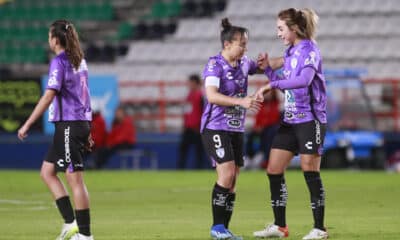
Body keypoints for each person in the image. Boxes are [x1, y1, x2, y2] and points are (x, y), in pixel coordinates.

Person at [253, 8, 329, 240]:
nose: (278, 33)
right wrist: (267, 69)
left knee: (310, 170)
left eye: (280, 28)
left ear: (294, 28)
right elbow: (281, 81)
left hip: (311, 120)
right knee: (273, 169)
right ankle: (280, 226)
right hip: (291, 120)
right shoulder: (290, 52)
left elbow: (303, 80)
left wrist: (271, 85)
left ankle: (319, 229)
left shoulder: (310, 51)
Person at [17, 20, 94, 240]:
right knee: (47, 172)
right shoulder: (80, 60)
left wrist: (28, 123)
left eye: (50, 36)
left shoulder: (59, 62)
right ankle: (71, 223)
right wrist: (88, 128)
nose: (48, 40)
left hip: (69, 125)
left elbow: (49, 95)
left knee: (75, 180)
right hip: (75, 124)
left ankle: (86, 235)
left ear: (56, 39)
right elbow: (85, 96)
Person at [200, 18, 262, 240]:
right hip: (215, 127)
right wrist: (240, 102)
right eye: (242, 44)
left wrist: (291, 57)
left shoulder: (244, 63)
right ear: (227, 44)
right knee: (226, 173)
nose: (245, 48)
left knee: (233, 179)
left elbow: (265, 65)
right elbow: (212, 95)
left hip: (235, 129)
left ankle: (224, 230)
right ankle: (217, 227)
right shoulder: (214, 64)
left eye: (246, 44)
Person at [177, 74, 207, 169]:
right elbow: (186, 112)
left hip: (197, 129)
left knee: (199, 152)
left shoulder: (201, 96)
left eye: (190, 82)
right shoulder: (188, 96)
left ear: (195, 83)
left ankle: (200, 169)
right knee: (183, 150)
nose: (189, 84)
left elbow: (204, 112)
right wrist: (184, 125)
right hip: (188, 128)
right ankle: (181, 169)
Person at [245, 90, 280, 169]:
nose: (268, 95)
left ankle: (265, 159)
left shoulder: (275, 104)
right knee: (249, 136)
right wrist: (257, 126)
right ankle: (249, 157)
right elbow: (258, 117)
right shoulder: (262, 105)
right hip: (260, 128)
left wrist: (262, 126)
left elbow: (274, 118)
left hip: (269, 128)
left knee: (269, 137)